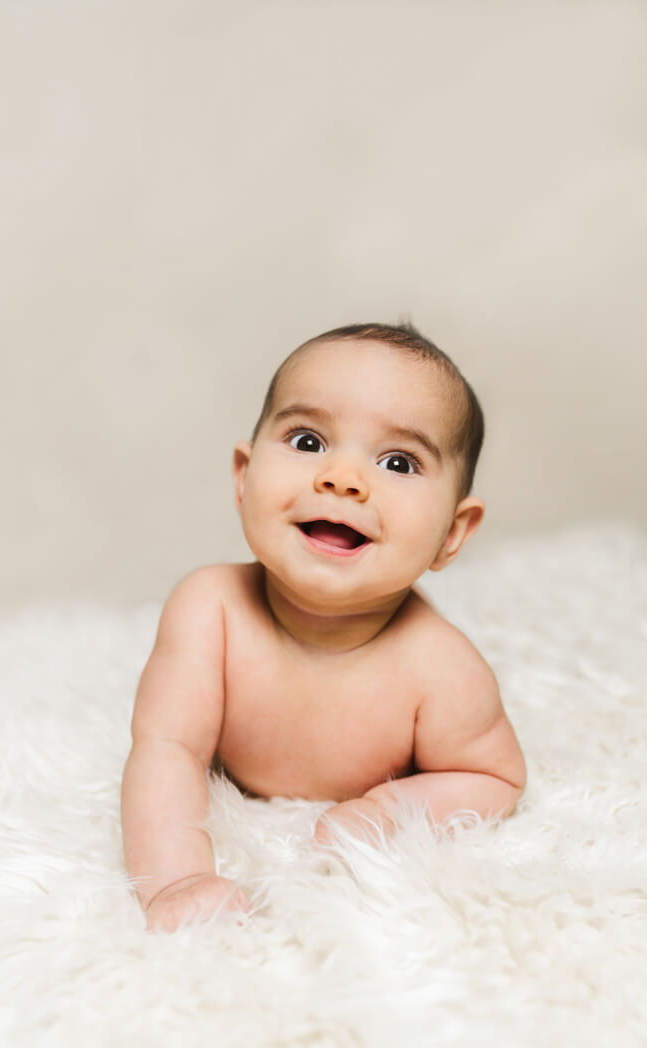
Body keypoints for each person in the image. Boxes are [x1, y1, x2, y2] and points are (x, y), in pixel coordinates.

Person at [121, 322, 527, 933]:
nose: (342, 478)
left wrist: (391, 810)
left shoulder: (439, 665)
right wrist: (176, 880)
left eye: (398, 461)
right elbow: (167, 749)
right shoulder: (210, 609)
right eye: (308, 441)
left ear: (452, 533)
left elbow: (495, 777)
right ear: (243, 475)